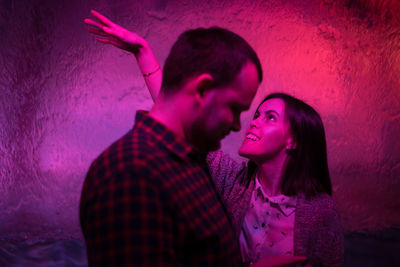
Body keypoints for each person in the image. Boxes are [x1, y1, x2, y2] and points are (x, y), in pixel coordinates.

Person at [83, 10, 343, 267]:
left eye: (270, 117)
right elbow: (177, 108)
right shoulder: (226, 181)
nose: (244, 123)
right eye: (245, 111)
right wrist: (145, 55)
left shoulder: (320, 210)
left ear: (293, 141)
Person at [80, 10, 265, 267]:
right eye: (235, 109)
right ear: (202, 90)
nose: (236, 125)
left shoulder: (187, 161)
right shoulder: (132, 175)